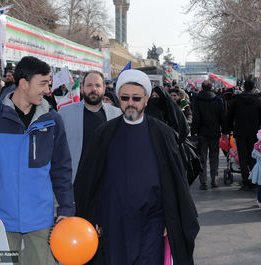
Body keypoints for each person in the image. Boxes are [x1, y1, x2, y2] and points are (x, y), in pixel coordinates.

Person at [74, 69, 199, 265]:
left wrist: (170, 218)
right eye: (125, 98)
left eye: (136, 98)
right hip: (113, 220)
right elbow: (88, 179)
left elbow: (177, 181)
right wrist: (94, 217)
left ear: (146, 99)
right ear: (118, 98)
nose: (130, 103)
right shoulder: (104, 133)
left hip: (152, 219)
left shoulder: (163, 134)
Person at [0, 56, 75, 264]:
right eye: (42, 83)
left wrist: (66, 209)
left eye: (48, 83)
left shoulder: (53, 120)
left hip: (41, 222)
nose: (47, 89)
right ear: (23, 83)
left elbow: (61, 169)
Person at [59, 70, 122, 182]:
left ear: (104, 89)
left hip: (107, 183)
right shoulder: (64, 113)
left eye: (98, 85)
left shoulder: (117, 114)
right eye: (89, 85)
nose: (94, 89)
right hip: (75, 182)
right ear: (82, 88)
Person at [191, 80, 228, 190]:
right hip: (215, 132)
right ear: (212, 88)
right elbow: (223, 117)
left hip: (202, 133)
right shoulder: (218, 100)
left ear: (202, 88)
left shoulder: (197, 100)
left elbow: (196, 118)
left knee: (202, 157)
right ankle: (214, 180)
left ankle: (203, 182)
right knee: (214, 157)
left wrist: (194, 131)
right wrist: (225, 131)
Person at [228, 80, 261, 190]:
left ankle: (245, 181)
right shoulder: (258, 101)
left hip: (240, 132)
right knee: (253, 156)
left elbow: (230, 116)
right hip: (254, 133)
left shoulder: (236, 100)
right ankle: (253, 180)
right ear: (253, 88)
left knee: (242, 157)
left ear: (243, 87)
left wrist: (229, 130)